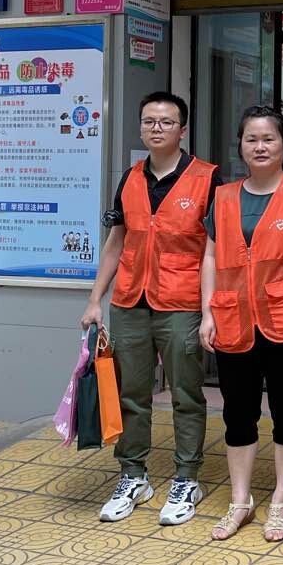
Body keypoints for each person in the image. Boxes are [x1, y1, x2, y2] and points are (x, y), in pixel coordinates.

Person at [81, 92, 221, 526]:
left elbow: (215, 250)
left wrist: (210, 309)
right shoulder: (129, 178)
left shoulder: (208, 178)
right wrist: (95, 299)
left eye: (166, 122)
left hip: (182, 303)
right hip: (129, 300)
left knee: (186, 394)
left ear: (182, 130)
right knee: (131, 393)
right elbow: (116, 242)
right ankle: (133, 475)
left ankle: (186, 478)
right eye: (148, 121)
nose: (156, 128)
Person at [199, 107, 283, 544]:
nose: (260, 147)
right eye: (251, 139)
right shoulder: (223, 197)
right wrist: (207, 312)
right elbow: (211, 256)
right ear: (240, 145)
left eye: (268, 139)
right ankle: (240, 501)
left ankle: (281, 500)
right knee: (238, 413)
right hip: (233, 319)